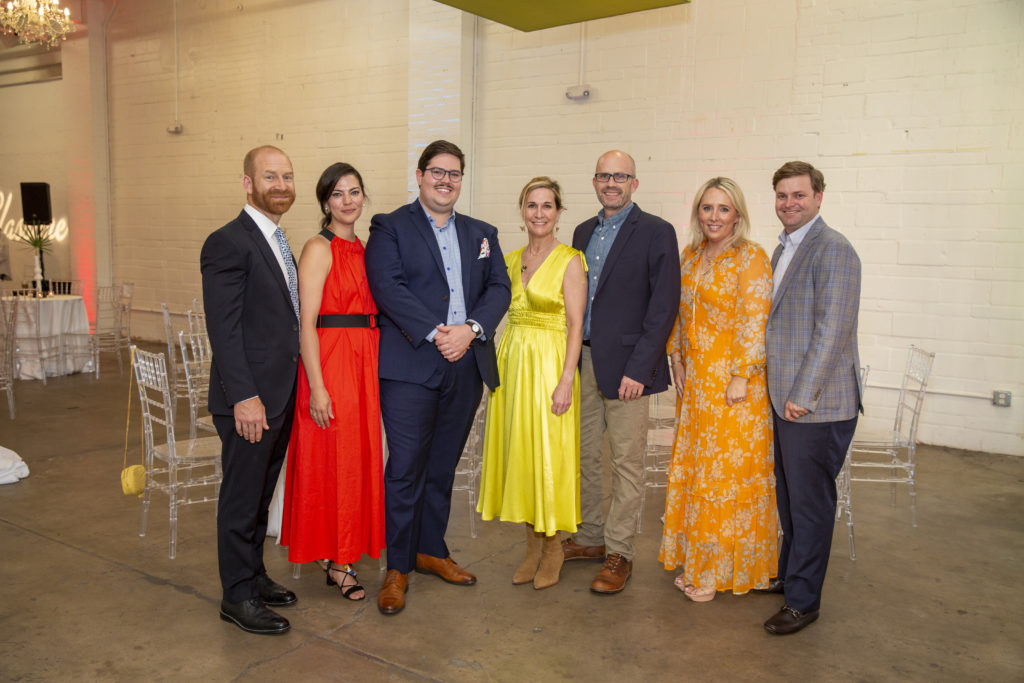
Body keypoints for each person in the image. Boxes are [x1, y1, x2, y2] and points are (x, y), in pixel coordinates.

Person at [364, 140, 512, 615]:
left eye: (454, 173)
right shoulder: (390, 227)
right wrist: (436, 333)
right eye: (437, 172)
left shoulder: (481, 232)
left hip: (465, 365)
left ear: (461, 180)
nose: (445, 180)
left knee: (443, 465)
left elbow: (499, 288)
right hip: (410, 366)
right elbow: (388, 288)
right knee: (406, 466)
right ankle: (398, 566)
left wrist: (469, 331)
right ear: (420, 174)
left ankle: (431, 550)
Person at [563, 150, 680, 594]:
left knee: (627, 462)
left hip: (630, 368)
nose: (611, 182)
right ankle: (591, 535)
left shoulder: (655, 232)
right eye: (604, 175)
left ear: (634, 182)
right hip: (585, 360)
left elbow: (663, 307)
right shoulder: (581, 231)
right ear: (594, 181)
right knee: (585, 453)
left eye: (620, 176)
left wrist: (642, 368)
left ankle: (620, 552)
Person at [658, 177, 776, 602]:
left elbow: (754, 320)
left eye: (723, 209)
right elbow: (678, 312)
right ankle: (700, 560)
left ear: (738, 214)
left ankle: (719, 571)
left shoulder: (751, 258)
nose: (714, 216)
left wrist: (742, 375)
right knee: (698, 477)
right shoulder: (690, 256)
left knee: (726, 479)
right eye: (707, 208)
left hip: (735, 388)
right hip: (696, 386)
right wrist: (675, 356)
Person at [201, 145, 301, 635]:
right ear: (247, 183)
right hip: (250, 401)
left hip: (278, 395)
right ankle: (236, 596)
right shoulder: (228, 242)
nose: (280, 184)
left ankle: (254, 575)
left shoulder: (278, 240)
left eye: (286, 176)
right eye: (270, 176)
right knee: (241, 499)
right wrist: (244, 396)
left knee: (261, 496)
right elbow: (224, 329)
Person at [761, 161, 862, 635]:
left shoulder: (834, 250)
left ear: (819, 197)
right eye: (782, 195)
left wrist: (802, 395)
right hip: (785, 401)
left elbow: (832, 331)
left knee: (810, 505)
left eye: (798, 195)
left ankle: (804, 603)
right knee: (789, 499)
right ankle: (788, 576)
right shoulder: (784, 250)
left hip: (815, 406)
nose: (789, 203)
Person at [280, 162, 385, 602]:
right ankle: (337, 560)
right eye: (339, 194)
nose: (348, 201)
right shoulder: (317, 248)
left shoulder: (366, 248)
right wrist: (318, 386)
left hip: (364, 363)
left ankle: (341, 550)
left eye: (355, 192)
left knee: (358, 459)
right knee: (334, 460)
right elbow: (305, 324)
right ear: (326, 201)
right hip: (331, 362)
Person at [477, 176, 587, 590]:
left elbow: (576, 324)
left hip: (551, 364)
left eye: (547, 206)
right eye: (532, 205)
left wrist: (565, 381)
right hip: (513, 364)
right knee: (519, 454)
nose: (539, 213)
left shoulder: (571, 259)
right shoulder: (509, 260)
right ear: (522, 211)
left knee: (549, 456)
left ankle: (554, 548)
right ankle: (530, 546)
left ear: (558, 212)